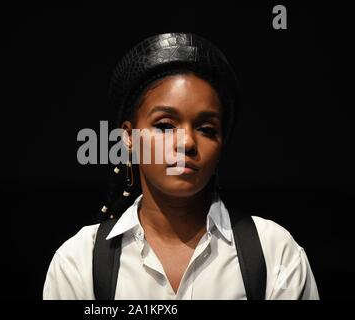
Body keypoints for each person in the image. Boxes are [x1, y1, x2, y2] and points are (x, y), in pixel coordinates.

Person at [43, 33, 319, 299]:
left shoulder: (275, 254)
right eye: (165, 126)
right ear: (128, 136)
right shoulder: (79, 262)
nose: (187, 142)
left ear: (221, 145)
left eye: (206, 128)